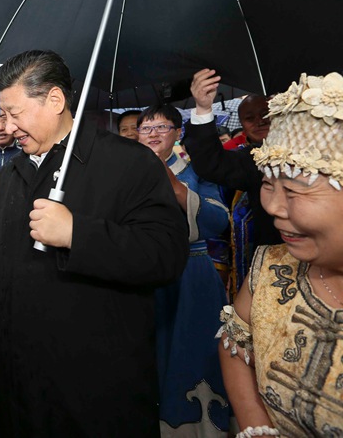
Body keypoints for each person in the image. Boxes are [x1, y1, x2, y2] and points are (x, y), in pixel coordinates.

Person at [0, 50, 188, 437]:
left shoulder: (128, 163)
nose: (7, 125)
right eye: (3, 114)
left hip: (93, 389)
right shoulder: (11, 173)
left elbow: (165, 254)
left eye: (15, 113)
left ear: (55, 100)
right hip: (19, 382)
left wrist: (76, 234)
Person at [217, 72, 343, 435]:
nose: (272, 206)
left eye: (295, 191)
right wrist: (256, 426)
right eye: (268, 185)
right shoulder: (271, 266)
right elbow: (235, 346)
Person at [136, 104, 231, 436]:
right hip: (144, 276)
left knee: (195, 351)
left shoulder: (195, 170)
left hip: (192, 274)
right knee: (151, 352)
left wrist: (176, 187)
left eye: (162, 127)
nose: (153, 134)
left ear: (177, 132)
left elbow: (219, 220)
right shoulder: (126, 173)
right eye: (145, 128)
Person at [183, 69, 281, 298]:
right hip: (271, 267)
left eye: (266, 113)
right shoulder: (251, 159)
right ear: (244, 125)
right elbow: (210, 163)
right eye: (250, 118)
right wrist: (203, 108)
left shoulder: (319, 146)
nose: (259, 121)